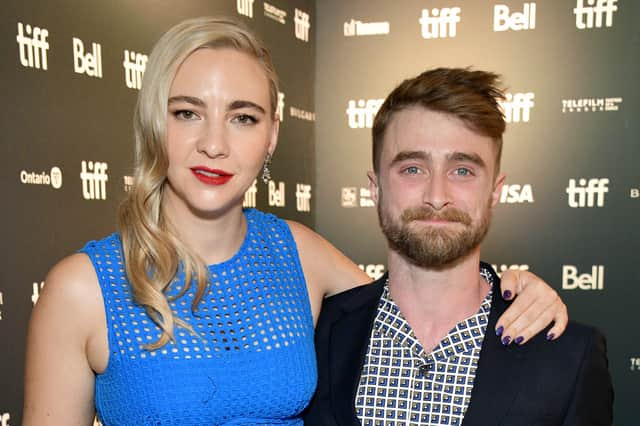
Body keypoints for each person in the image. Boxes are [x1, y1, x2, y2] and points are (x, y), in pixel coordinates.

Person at [23, 18, 568, 425]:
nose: (213, 143)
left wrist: (513, 289)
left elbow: (421, 303)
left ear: (272, 137)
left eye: (243, 117)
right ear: (152, 123)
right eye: (186, 112)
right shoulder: (81, 288)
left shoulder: (298, 252)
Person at [304, 68, 614, 425]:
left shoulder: (568, 355)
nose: (437, 196)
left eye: (462, 170)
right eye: (412, 168)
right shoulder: (313, 335)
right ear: (375, 188)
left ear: (495, 190)